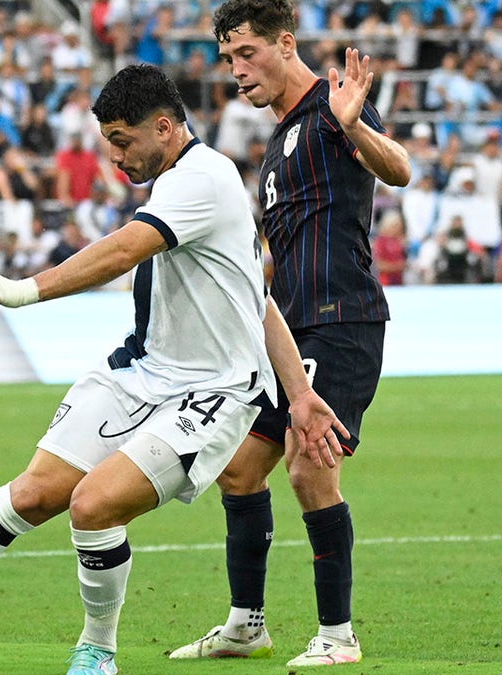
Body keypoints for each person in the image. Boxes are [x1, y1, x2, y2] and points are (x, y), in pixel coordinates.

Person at [0, 64, 347, 675]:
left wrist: (22, 290)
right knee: (33, 493)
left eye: (123, 142)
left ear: (164, 127)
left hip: (209, 393)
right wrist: (298, 392)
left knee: (93, 505)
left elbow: (122, 251)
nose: (114, 158)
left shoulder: (203, 179)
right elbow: (253, 300)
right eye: (108, 142)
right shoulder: (180, 184)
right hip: (140, 374)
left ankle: (97, 650)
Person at [168, 0, 411, 667]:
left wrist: (355, 126)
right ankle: (247, 623)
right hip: (286, 330)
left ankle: (338, 635)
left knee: (309, 462)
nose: (237, 72)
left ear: (285, 43)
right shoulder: (276, 145)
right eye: (227, 60)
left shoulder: (336, 109)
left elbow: (398, 169)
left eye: (246, 54)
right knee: (241, 469)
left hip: (341, 319)